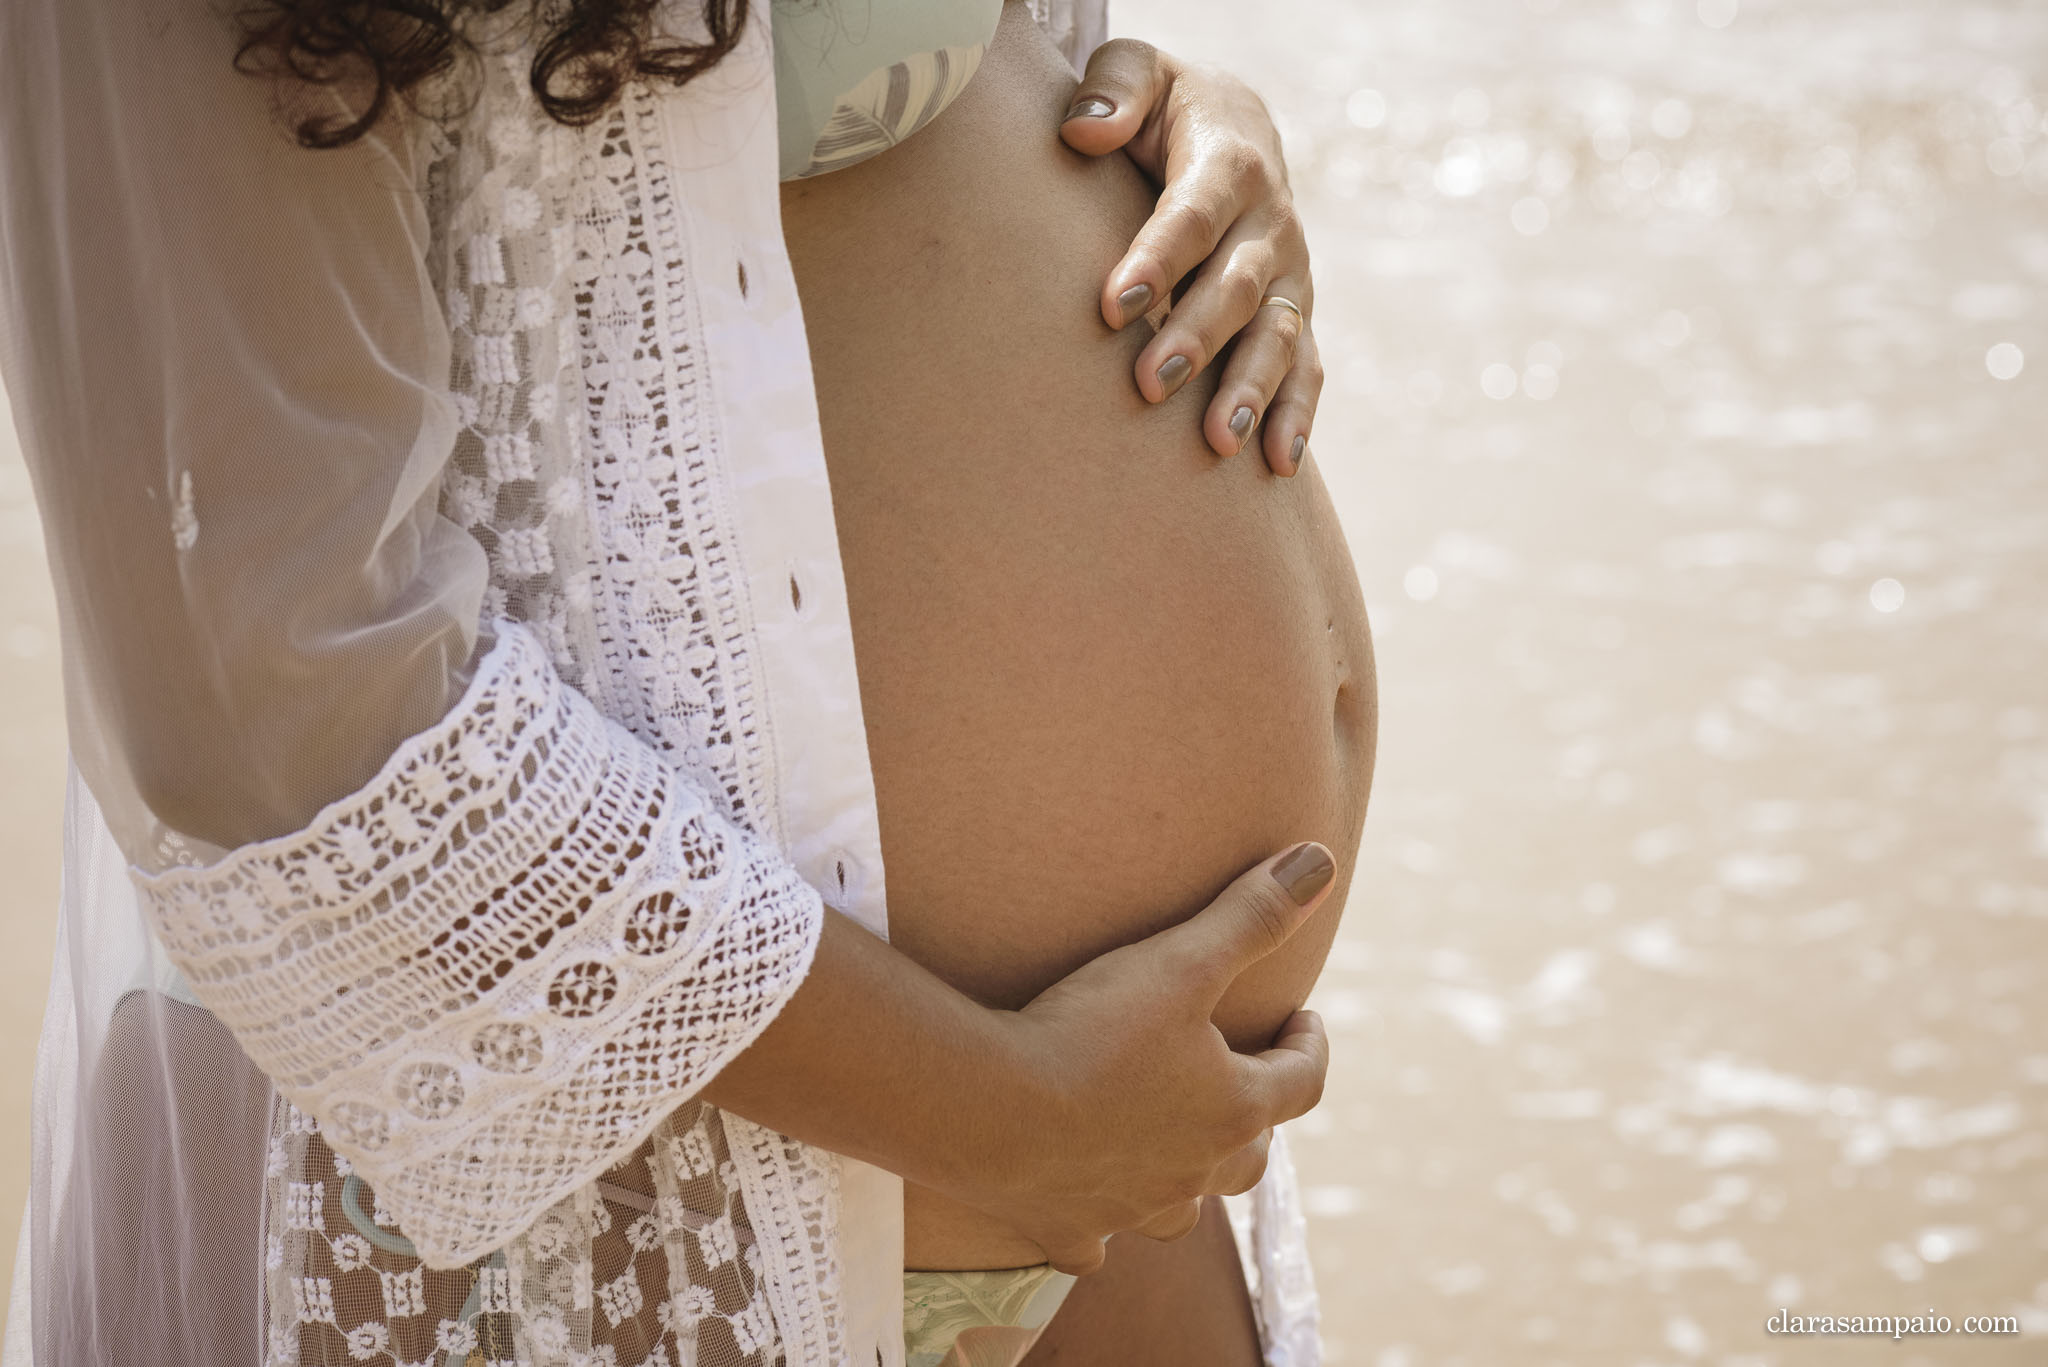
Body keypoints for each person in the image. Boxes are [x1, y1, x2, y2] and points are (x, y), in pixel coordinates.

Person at [0, 1, 1371, 1365]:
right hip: (640, 1192)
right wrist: (1007, 1116)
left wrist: (1187, 130)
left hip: (1119, 1165)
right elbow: (266, 695)